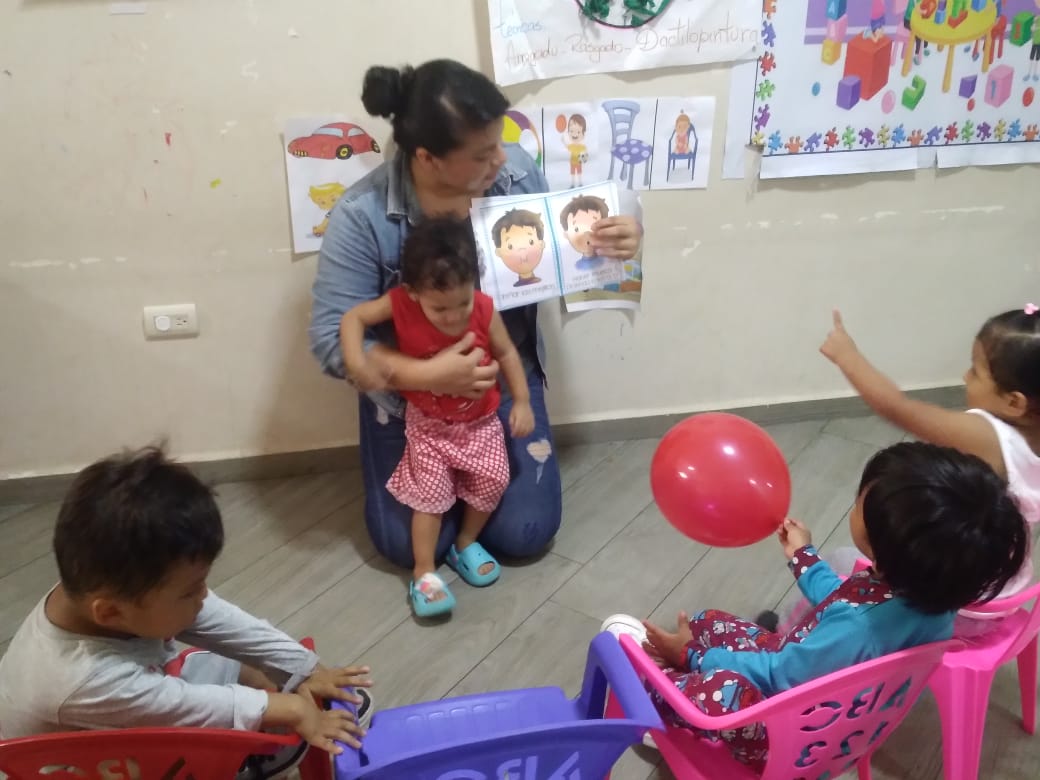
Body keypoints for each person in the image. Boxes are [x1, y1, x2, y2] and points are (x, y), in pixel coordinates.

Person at [308, 59, 642, 572]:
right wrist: (426, 375)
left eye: (499, 143)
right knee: (408, 547)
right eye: (483, 154)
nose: (502, 159)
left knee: (526, 534)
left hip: (502, 374)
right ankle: (449, 492)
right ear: (427, 158)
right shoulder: (362, 215)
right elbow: (332, 340)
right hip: (409, 398)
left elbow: (563, 251)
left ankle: (467, 497)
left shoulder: (516, 175)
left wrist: (617, 241)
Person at [603, 442, 1028, 769]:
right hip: (843, 723)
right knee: (706, 622)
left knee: (714, 689)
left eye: (862, 503)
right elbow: (843, 597)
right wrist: (802, 556)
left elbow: (780, 675)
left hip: (788, 744)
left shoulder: (856, 629)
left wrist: (693, 657)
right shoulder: (932, 594)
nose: (855, 503)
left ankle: (658, 702)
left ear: (886, 545)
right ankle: (682, 668)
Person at [0, 447, 374, 779]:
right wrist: (292, 709)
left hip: (116, 708)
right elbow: (182, 706)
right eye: (190, 590)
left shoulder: (99, 589)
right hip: (71, 765)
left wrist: (304, 667)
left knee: (242, 668)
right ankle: (245, 758)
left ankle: (268, 722)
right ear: (111, 612)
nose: (204, 595)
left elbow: (214, 620)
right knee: (200, 734)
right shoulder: (81, 679)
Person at [340, 217, 533, 617]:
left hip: (481, 422)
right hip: (429, 426)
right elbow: (352, 318)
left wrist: (522, 401)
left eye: (462, 303)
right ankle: (424, 571)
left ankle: (465, 542)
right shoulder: (399, 303)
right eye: (440, 308)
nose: (454, 316)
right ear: (413, 292)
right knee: (429, 498)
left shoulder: (484, 308)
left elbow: (507, 352)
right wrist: (358, 364)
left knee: (493, 479)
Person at [817, 306, 1040, 621]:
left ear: (1014, 402)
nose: (965, 377)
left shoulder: (987, 437)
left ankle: (790, 635)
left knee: (838, 562)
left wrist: (847, 356)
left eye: (975, 371)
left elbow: (898, 408)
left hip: (958, 599)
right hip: (1008, 586)